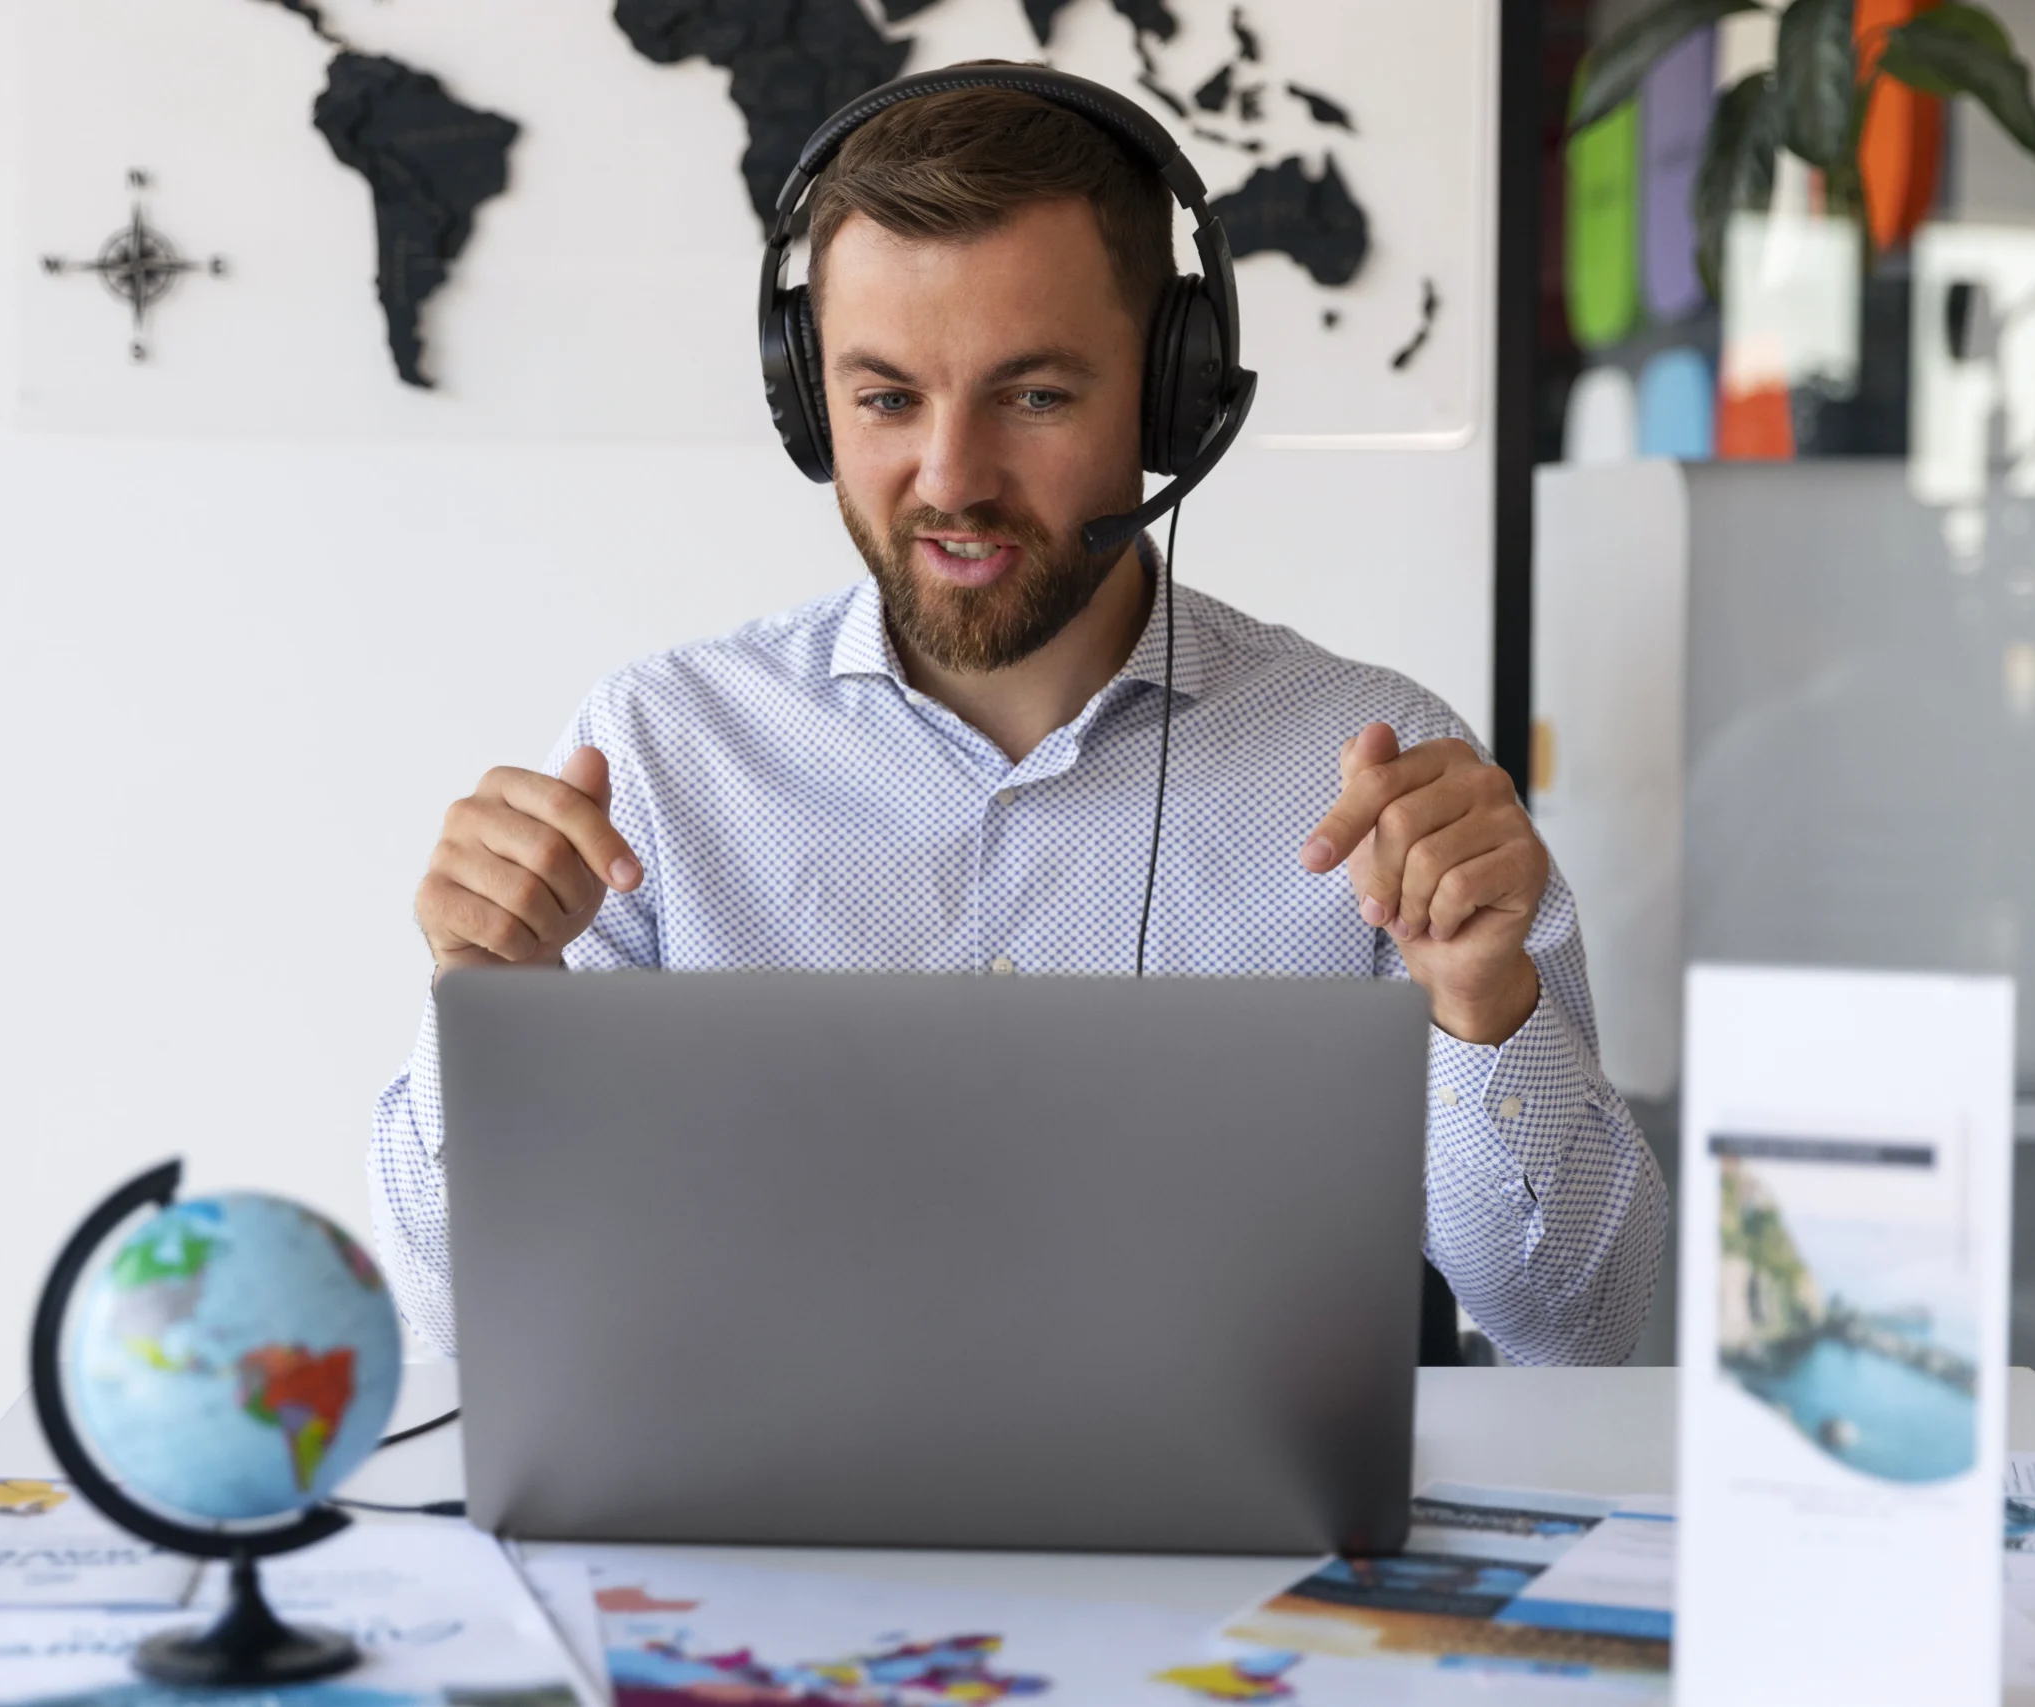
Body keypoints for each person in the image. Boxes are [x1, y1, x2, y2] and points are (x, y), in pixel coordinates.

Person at [369, 71, 1664, 1366]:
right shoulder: (659, 754)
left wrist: (1484, 1011)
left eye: (1034, 395)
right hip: (763, 1551)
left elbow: (1604, 1338)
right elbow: (455, 1321)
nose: (951, 479)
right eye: (885, 399)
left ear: (1173, 398)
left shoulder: (1378, 766)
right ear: (811, 405)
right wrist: (488, 1008)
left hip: (1237, 1558)